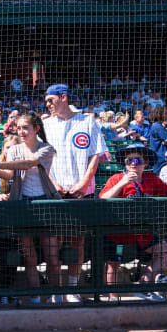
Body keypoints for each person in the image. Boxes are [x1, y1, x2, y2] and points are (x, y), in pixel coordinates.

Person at [0, 113, 60, 303]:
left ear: (36, 129)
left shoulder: (46, 148)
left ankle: (57, 295)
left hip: (44, 203)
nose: (21, 132)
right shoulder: (14, 149)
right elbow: (9, 175)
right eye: (18, 128)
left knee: (52, 257)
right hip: (22, 202)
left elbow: (29, 163)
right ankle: (36, 296)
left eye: (25, 128)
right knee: (29, 257)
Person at [43, 84, 107, 303]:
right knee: (53, 243)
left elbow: (96, 155)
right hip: (54, 192)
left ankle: (72, 288)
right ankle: (55, 290)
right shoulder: (44, 124)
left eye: (51, 100)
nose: (47, 104)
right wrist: (53, 184)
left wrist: (84, 182)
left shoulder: (87, 121)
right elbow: (40, 160)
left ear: (64, 97)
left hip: (82, 191)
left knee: (77, 241)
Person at [98, 144, 167, 302]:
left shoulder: (151, 179)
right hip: (117, 232)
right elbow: (103, 198)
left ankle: (143, 284)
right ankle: (113, 299)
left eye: (137, 160)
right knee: (113, 264)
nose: (133, 163)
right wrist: (123, 183)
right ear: (124, 164)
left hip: (142, 232)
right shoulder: (116, 178)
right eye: (129, 160)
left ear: (145, 163)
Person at [147, 107, 167, 175]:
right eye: (166, 113)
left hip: (162, 158)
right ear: (160, 115)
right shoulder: (157, 126)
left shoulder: (160, 125)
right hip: (161, 159)